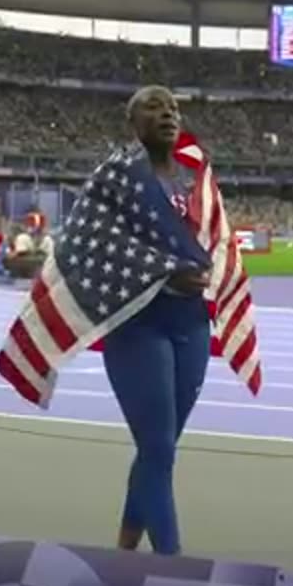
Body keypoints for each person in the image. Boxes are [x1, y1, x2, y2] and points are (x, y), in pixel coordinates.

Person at [100, 85, 215, 556]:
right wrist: (169, 269)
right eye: (154, 106)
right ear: (133, 122)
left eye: (173, 107)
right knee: (160, 449)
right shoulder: (116, 177)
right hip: (137, 324)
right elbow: (96, 248)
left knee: (158, 450)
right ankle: (173, 567)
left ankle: (124, 552)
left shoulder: (195, 179)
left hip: (190, 325)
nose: (167, 114)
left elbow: (213, 237)